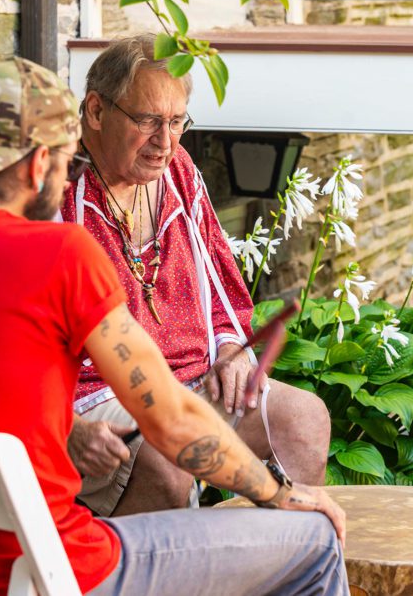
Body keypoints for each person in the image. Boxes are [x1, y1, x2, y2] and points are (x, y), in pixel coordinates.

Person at [0, 57, 349, 595]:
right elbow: (171, 420)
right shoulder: (60, 255)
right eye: (64, 160)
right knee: (312, 540)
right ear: (38, 167)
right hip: (46, 571)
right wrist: (279, 495)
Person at [61, 34, 331, 517]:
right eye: (148, 121)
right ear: (97, 112)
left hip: (195, 379)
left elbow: (220, 279)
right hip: (99, 395)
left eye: (176, 122)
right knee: (167, 465)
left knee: (303, 419)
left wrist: (229, 346)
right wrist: (64, 424)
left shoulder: (179, 171)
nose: (165, 143)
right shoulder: (57, 194)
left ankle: (275, 573)